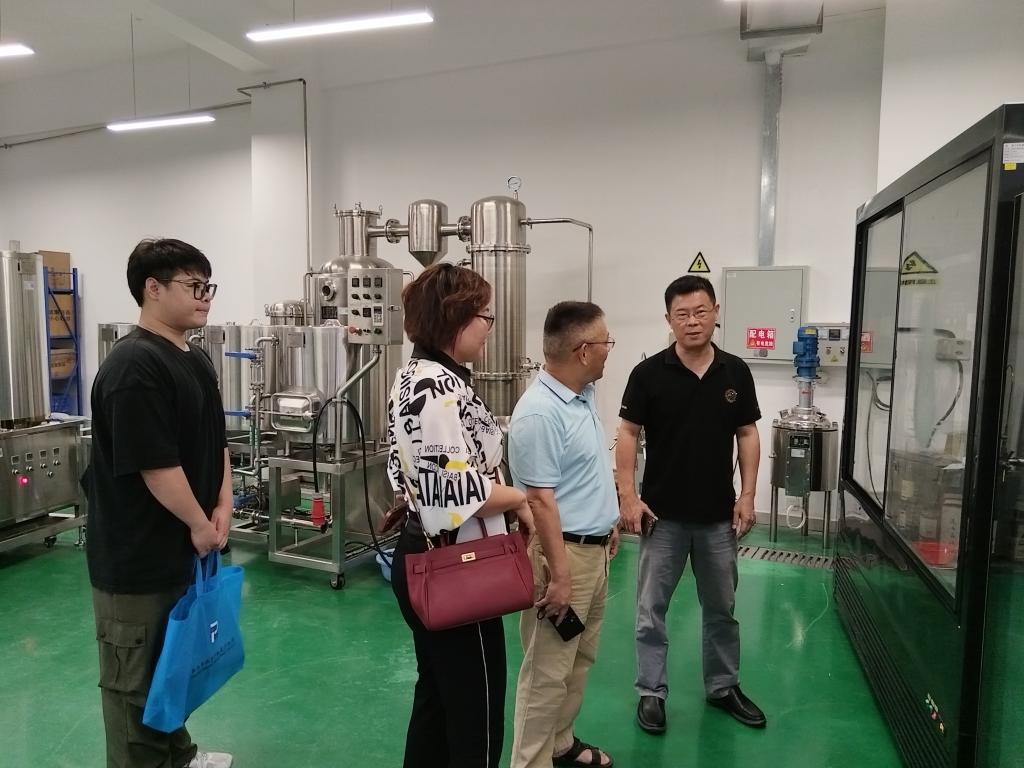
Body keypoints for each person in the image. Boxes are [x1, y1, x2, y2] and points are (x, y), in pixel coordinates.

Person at [86, 238, 234, 768]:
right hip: (139, 559)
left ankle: (180, 757)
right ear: (152, 288)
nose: (205, 297)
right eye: (194, 286)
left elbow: (216, 439)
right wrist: (198, 522)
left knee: (173, 668)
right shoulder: (134, 366)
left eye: (208, 286)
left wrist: (224, 501)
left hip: (184, 552)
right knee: (135, 688)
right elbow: (156, 465)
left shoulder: (193, 358)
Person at [386, 262, 535, 768]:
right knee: (477, 713)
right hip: (458, 564)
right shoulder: (436, 388)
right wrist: (518, 499)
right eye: (484, 316)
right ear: (455, 318)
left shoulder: (415, 376)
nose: (490, 326)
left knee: (438, 699)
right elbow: (451, 491)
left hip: (431, 555)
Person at [616, 274, 766, 734]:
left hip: (718, 516)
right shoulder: (648, 374)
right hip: (661, 517)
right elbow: (627, 433)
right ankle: (651, 692)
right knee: (651, 610)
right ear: (669, 319)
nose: (692, 321)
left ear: (716, 312)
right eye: (682, 314)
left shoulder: (735, 372)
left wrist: (748, 495)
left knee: (722, 608)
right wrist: (628, 497)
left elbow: (747, 433)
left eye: (701, 311)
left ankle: (723, 686)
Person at [508, 301, 620, 768]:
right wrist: (559, 576)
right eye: (606, 342)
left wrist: (608, 523)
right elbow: (539, 501)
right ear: (583, 351)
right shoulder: (539, 413)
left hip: (592, 551)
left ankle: (560, 743)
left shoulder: (582, 395)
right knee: (546, 674)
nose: (610, 349)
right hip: (563, 556)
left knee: (578, 660)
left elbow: (582, 475)